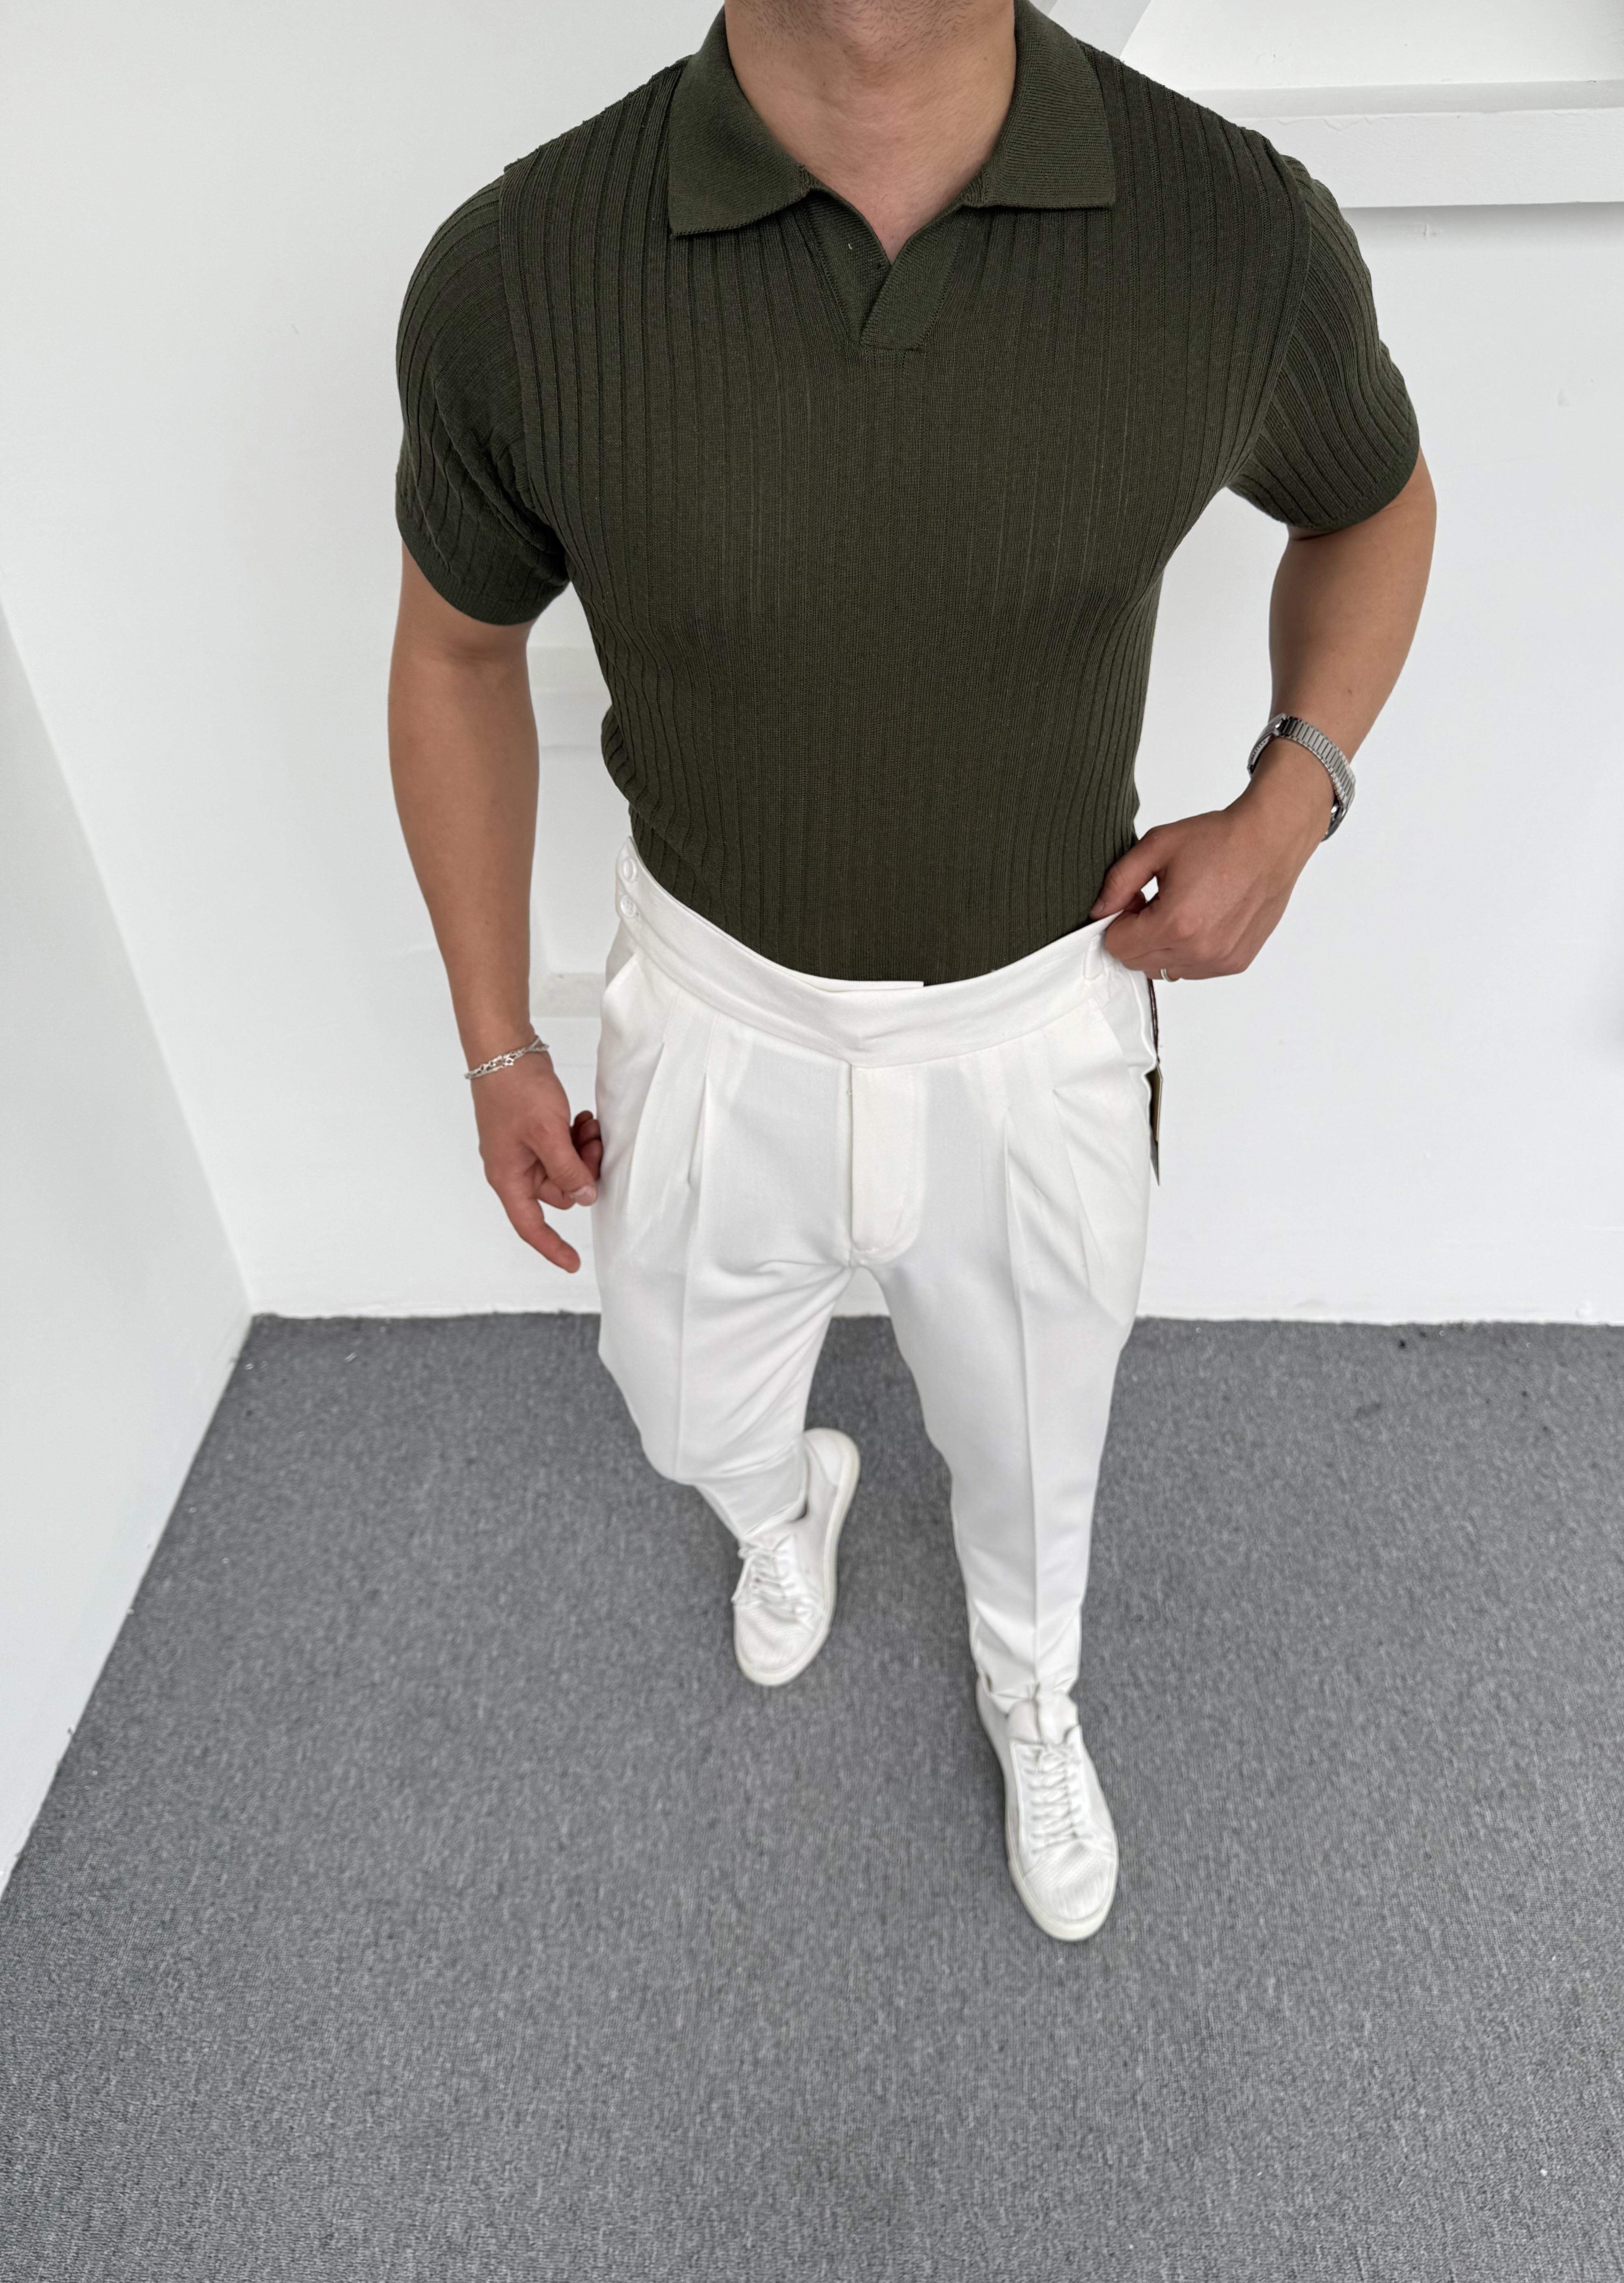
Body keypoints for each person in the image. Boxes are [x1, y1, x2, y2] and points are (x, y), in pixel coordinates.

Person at [387, 0, 1436, 1942]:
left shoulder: (1232, 230)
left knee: (1038, 1456)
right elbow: (454, 652)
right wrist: (491, 1041)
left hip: (1037, 1025)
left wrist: (1293, 800)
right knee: (679, 1409)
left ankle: (1033, 1693)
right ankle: (784, 1502)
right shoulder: (520, 274)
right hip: (710, 1008)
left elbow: (1372, 501)